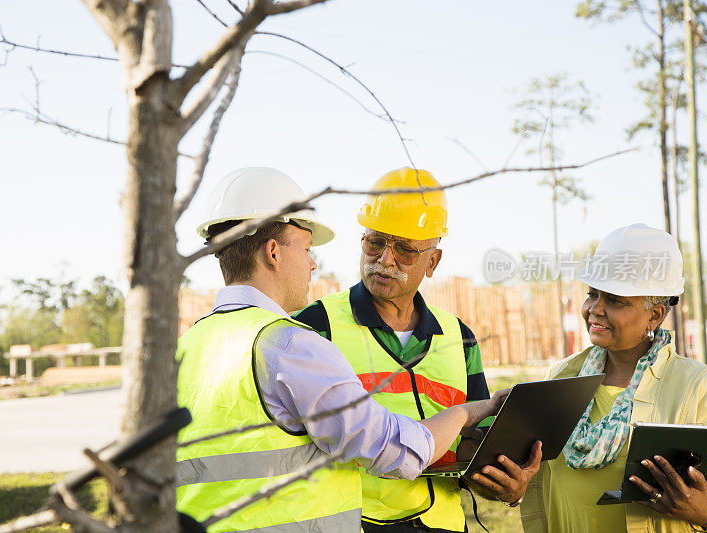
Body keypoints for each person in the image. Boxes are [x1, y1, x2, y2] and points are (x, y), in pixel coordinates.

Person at [175, 167, 505, 533]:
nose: (313, 262)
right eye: (306, 249)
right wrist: (464, 414)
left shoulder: (185, 346)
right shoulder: (295, 341)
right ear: (273, 252)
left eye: (406, 250)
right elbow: (394, 451)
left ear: (433, 261)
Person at [295, 167, 540, 533]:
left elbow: (479, 442)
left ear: (433, 262)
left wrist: (508, 482)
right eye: (375, 242)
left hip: (442, 524)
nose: (386, 259)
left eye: (406, 250)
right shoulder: (315, 327)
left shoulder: (459, 337)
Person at [520, 223, 707, 533]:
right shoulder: (561, 377)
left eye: (616, 300)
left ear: (655, 314)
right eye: (593, 294)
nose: (595, 310)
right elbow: (537, 479)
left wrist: (702, 511)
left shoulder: (695, 387)